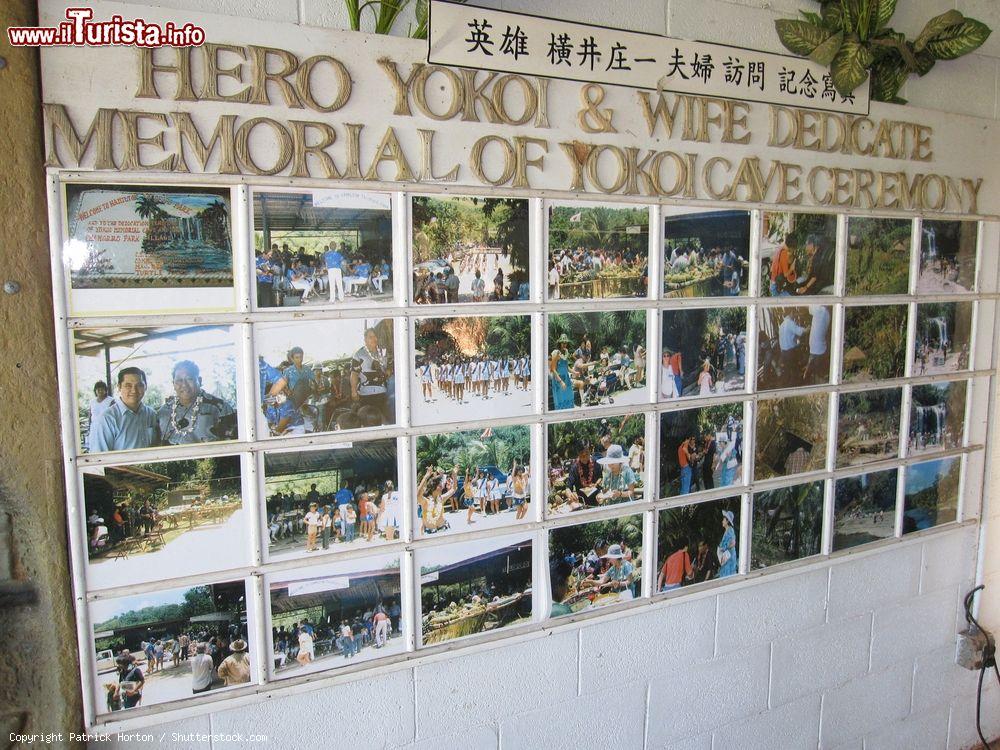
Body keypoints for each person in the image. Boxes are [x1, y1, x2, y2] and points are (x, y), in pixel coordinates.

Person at [158, 360, 236, 445]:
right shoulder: (164, 411)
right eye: (179, 380)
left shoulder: (220, 408)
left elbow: (232, 445)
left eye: (189, 379)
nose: (184, 384)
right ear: (173, 384)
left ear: (199, 380)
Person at [89, 367, 160, 452]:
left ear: (145, 387)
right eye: (128, 385)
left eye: (139, 385)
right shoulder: (106, 420)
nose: (134, 390)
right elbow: (98, 460)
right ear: (119, 387)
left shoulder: (151, 414)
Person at [351, 328, 391, 421]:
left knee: (384, 420)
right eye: (371, 337)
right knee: (367, 420)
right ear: (365, 339)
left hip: (382, 392)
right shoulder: (359, 354)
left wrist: (389, 370)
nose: (374, 339)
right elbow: (354, 374)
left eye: (375, 336)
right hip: (365, 394)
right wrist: (353, 391)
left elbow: (390, 366)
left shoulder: (383, 352)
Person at [803, 305, 831, 383]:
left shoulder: (818, 309)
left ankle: (814, 380)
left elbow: (806, 305)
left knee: (816, 371)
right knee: (816, 368)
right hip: (821, 348)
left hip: (817, 349)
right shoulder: (827, 314)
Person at [87, 381, 112, 452]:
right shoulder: (92, 401)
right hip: (94, 428)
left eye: (102, 389)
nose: (100, 391)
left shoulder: (111, 401)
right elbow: (90, 415)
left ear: (106, 390)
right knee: (94, 447)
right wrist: (90, 427)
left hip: (107, 428)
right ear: (95, 391)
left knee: (106, 447)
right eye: (98, 389)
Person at [718, 510, 739, 577]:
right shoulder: (726, 530)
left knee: (728, 573)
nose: (722, 521)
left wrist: (724, 548)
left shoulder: (730, 530)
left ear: (727, 521)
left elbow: (733, 543)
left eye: (723, 520)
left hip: (729, 556)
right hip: (726, 556)